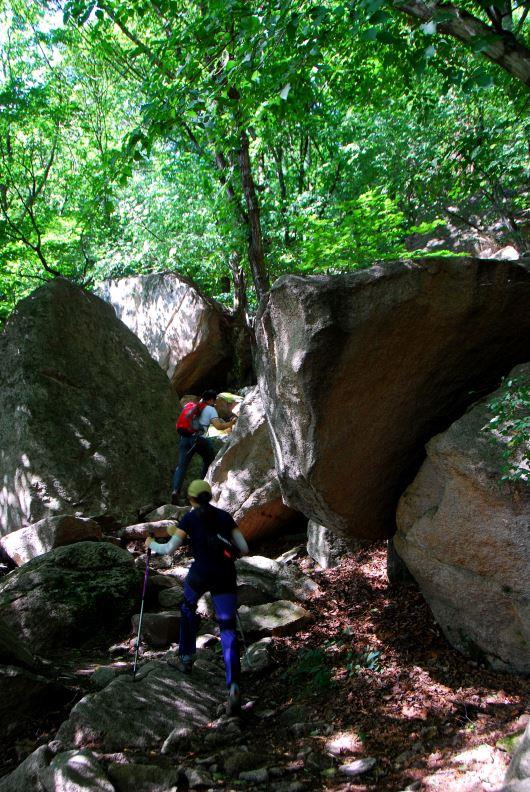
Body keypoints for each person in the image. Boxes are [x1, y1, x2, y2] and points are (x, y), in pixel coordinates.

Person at [145, 479, 249, 714]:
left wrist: (152, 543)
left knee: (187, 608)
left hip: (199, 574)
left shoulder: (189, 519)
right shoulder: (224, 517)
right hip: (225, 576)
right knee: (227, 627)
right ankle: (233, 686)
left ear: (190, 499)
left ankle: (186, 657)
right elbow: (243, 548)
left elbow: (168, 550)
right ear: (210, 496)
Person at [171, 389, 236, 504]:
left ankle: (175, 491)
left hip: (184, 439)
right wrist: (231, 423)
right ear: (211, 400)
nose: (214, 403)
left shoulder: (190, 405)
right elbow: (219, 426)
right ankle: (200, 491)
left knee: (181, 466)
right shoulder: (210, 409)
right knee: (209, 460)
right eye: (214, 401)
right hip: (197, 440)